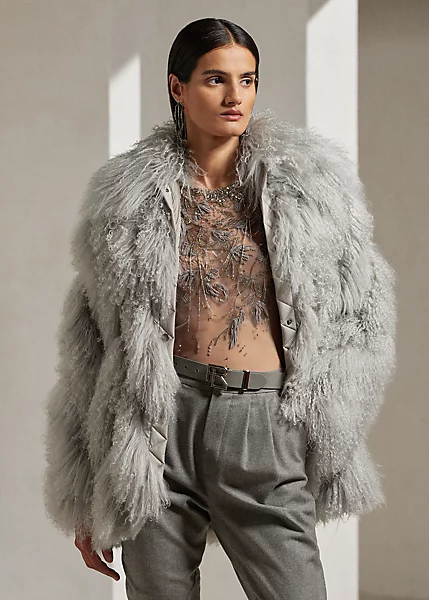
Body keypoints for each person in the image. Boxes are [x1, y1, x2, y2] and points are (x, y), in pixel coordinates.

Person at [42, 17, 397, 600]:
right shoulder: (127, 201)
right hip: (157, 424)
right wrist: (84, 494)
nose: (236, 96)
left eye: (247, 79)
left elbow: (364, 318)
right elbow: (89, 349)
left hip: (263, 422)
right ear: (177, 87)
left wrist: (317, 421)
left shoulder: (310, 190)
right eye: (215, 79)